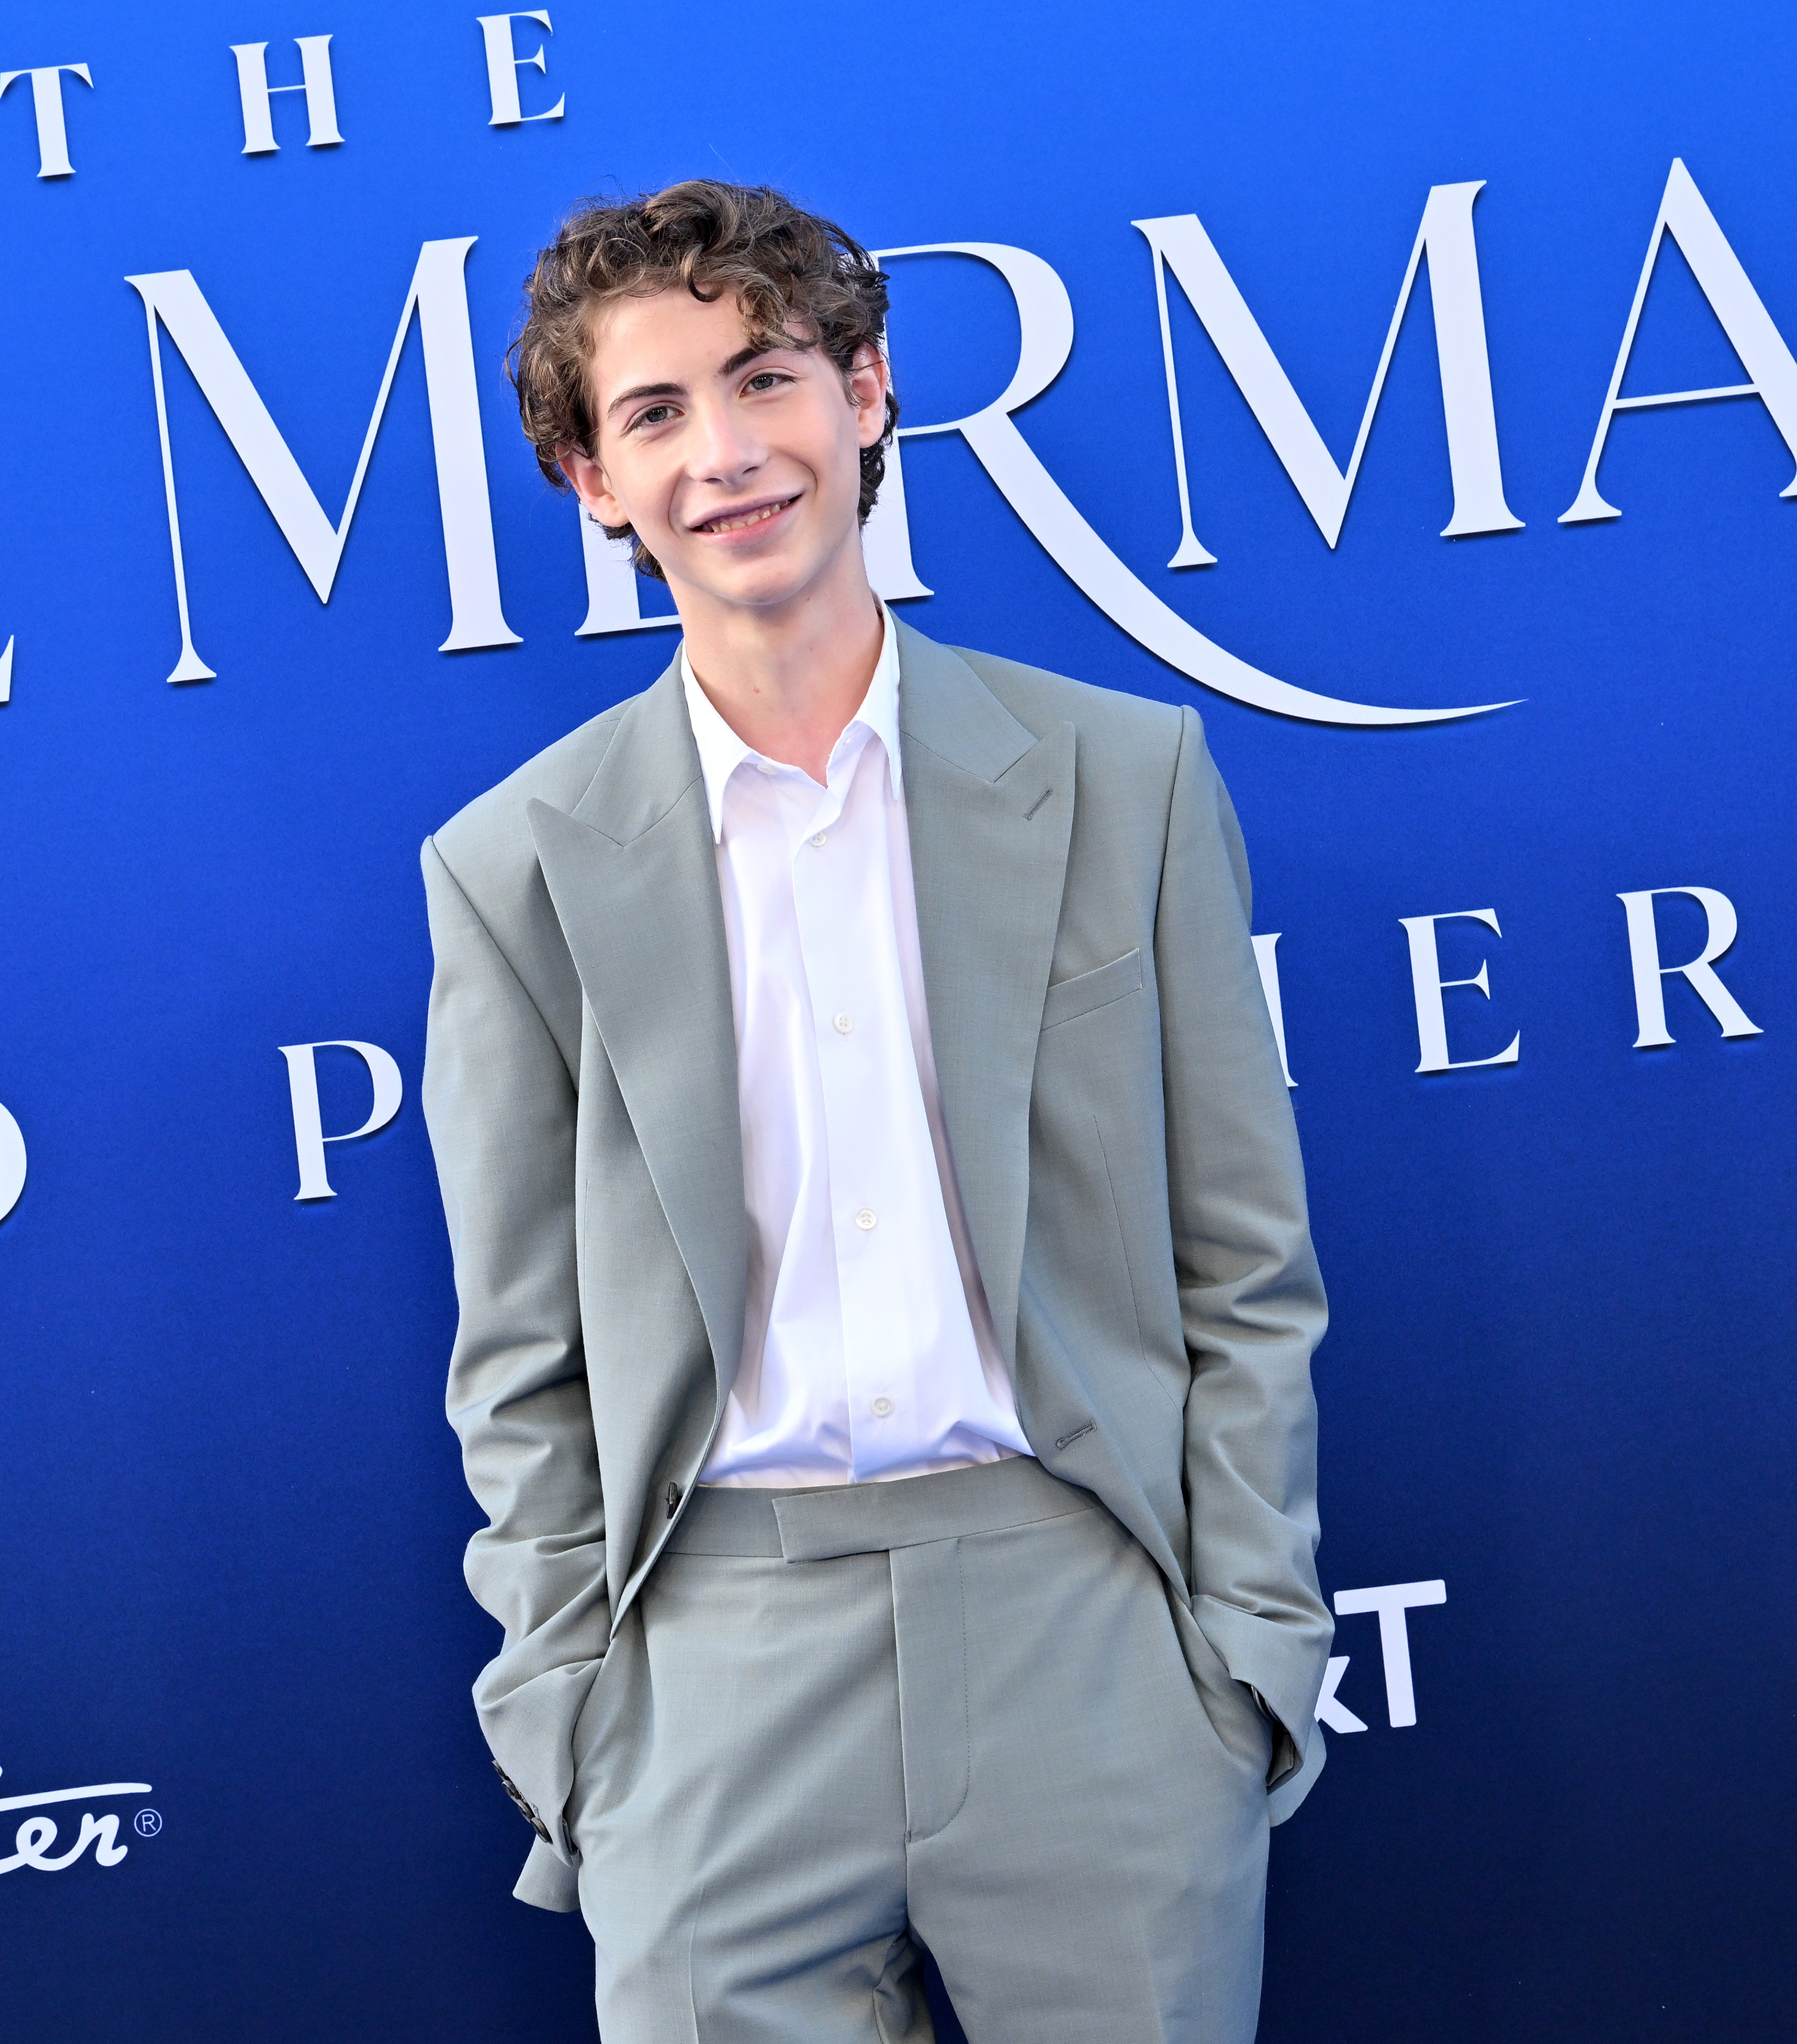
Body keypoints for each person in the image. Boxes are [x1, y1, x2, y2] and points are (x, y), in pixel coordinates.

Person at [420, 179, 1331, 2043]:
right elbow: (523, 1366)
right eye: (656, 414)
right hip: (713, 1685)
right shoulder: (513, 866)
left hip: (1084, 1624)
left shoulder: (1121, 774)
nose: (728, 453)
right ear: (592, 481)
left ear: (867, 393)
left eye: (767, 379)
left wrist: (1241, 1662)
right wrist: (577, 1721)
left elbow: (1246, 1266)